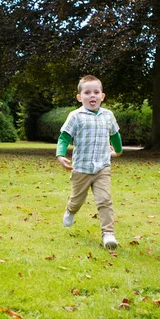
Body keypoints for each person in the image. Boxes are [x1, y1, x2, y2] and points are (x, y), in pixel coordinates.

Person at [55, 75, 123, 249]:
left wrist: (118, 150)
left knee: (105, 200)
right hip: (81, 168)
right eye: (87, 92)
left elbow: (115, 134)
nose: (92, 96)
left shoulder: (108, 116)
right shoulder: (75, 116)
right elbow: (64, 137)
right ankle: (70, 210)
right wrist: (60, 155)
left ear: (102, 96)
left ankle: (108, 234)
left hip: (102, 167)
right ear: (80, 97)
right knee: (78, 199)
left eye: (96, 92)